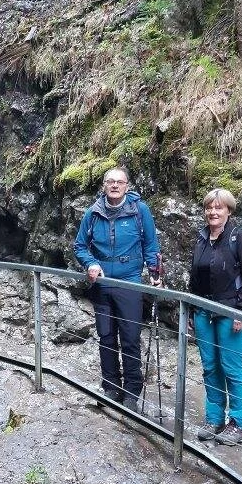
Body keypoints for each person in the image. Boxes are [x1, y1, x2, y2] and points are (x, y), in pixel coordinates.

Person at [74, 167, 161, 409]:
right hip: (101, 284)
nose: (114, 185)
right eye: (110, 182)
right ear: (104, 185)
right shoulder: (92, 214)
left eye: (119, 182)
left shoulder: (139, 211)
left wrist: (155, 273)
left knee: (131, 338)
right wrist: (90, 263)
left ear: (127, 186)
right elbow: (80, 246)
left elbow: (150, 245)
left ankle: (132, 392)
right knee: (106, 336)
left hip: (129, 281)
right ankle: (111, 387)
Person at [189, 188, 242, 446]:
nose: (213, 212)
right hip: (204, 311)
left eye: (219, 208)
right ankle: (214, 417)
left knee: (232, 367)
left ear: (229, 210)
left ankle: (239, 422)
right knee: (210, 367)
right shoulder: (201, 238)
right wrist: (193, 310)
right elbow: (195, 277)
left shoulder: (241, 238)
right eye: (209, 207)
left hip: (231, 312)